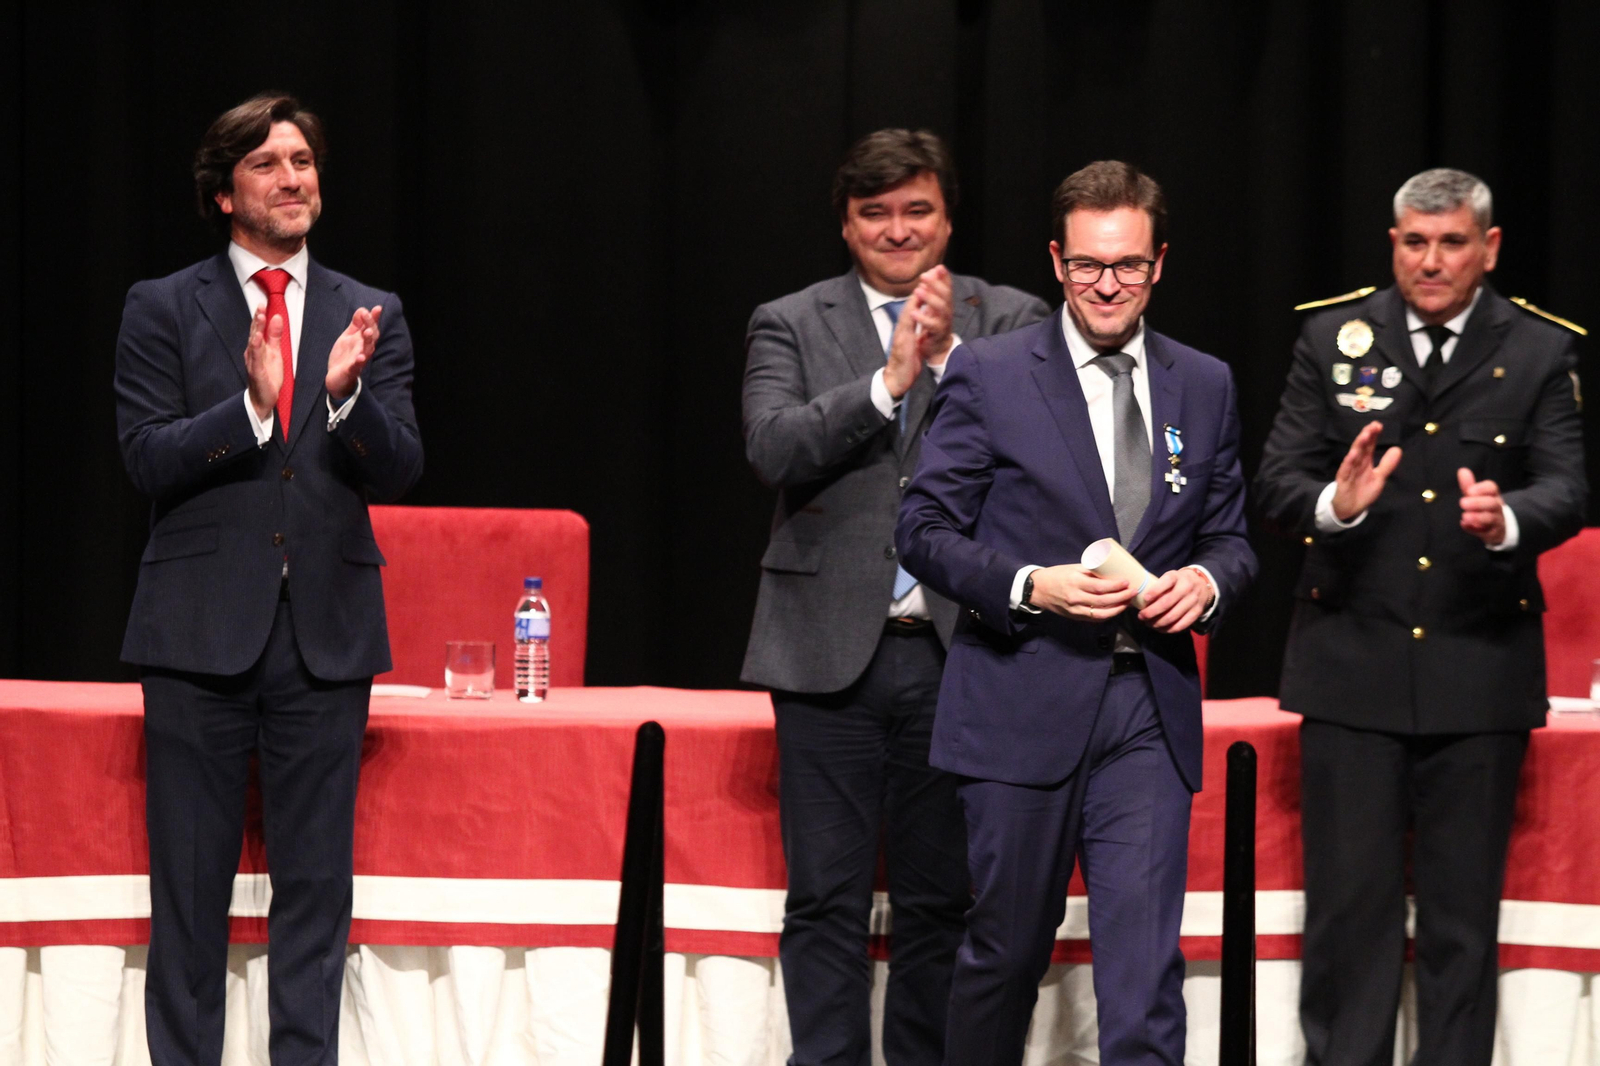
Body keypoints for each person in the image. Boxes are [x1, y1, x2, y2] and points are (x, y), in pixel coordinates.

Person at [896, 160, 1255, 1066]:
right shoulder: (991, 371)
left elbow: (1234, 539)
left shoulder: (1204, 383)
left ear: (1158, 264)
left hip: (1148, 706)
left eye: (1127, 265)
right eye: (1089, 264)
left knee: (1143, 980)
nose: (1107, 284)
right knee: (1004, 957)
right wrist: (1029, 584)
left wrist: (1206, 584)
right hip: (1021, 695)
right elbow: (923, 527)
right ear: (1057, 261)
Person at [114, 93, 423, 1065]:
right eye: (268, 164)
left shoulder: (370, 311)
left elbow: (403, 465)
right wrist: (248, 410)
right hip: (196, 633)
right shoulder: (162, 304)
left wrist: (342, 400)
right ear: (223, 194)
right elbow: (144, 457)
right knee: (191, 895)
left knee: (315, 897)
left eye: (304, 161)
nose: (294, 179)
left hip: (323, 635)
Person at [1255, 168, 1585, 1066]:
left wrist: (1507, 519)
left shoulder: (1540, 349)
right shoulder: (1331, 337)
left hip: (1478, 670)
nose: (1429, 261)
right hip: (1352, 667)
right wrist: (1338, 502)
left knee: (1459, 928)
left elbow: (1567, 482)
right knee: (1348, 922)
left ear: (1489, 247)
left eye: (1449, 243)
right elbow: (1279, 479)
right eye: (1413, 242)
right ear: (1392, 241)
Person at [741, 128, 1048, 1066]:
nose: (897, 229)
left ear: (948, 218)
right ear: (846, 223)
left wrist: (952, 364)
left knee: (938, 902)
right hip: (826, 652)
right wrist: (887, 384)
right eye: (875, 212)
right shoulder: (789, 321)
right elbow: (773, 449)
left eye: (917, 209)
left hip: (965, 650)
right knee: (824, 898)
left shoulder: (1015, 318)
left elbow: (1044, 460)